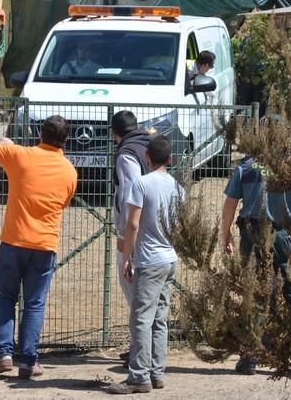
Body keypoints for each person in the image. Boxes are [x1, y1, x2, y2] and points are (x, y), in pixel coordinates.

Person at [0, 115, 77, 379]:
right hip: (45, 244)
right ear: (65, 140)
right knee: (34, 304)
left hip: (13, 241)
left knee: (6, 298)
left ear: (39, 134)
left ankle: (3, 354)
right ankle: (29, 361)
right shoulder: (69, 170)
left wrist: (5, 142)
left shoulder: (20, 155)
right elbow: (64, 202)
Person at [220, 156, 291, 376]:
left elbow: (230, 203)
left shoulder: (246, 167)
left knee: (257, 293)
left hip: (253, 233)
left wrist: (225, 233)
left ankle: (250, 359)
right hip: (285, 235)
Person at [108, 135, 185, 395]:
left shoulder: (141, 184)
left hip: (149, 260)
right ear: (170, 159)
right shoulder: (178, 187)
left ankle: (139, 376)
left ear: (147, 158)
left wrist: (127, 256)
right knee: (159, 318)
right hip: (169, 259)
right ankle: (157, 372)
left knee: (141, 318)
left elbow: (132, 224)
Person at [111, 111, 151, 364]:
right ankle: (145, 350)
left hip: (135, 232)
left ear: (115, 133)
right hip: (156, 228)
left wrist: (126, 237)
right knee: (147, 296)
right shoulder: (149, 145)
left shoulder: (126, 154)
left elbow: (129, 193)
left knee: (135, 293)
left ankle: (140, 352)